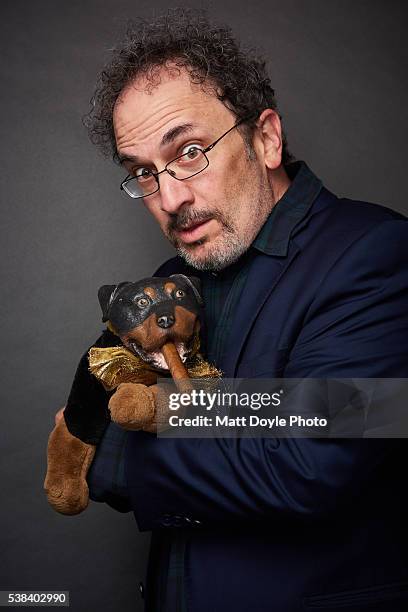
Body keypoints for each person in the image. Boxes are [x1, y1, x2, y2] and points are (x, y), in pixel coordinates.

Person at [75, 9, 408, 612]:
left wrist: (120, 450)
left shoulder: (377, 252)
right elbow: (99, 394)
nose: (170, 197)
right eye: (144, 174)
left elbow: (310, 459)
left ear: (267, 138)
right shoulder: (171, 283)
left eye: (191, 151)